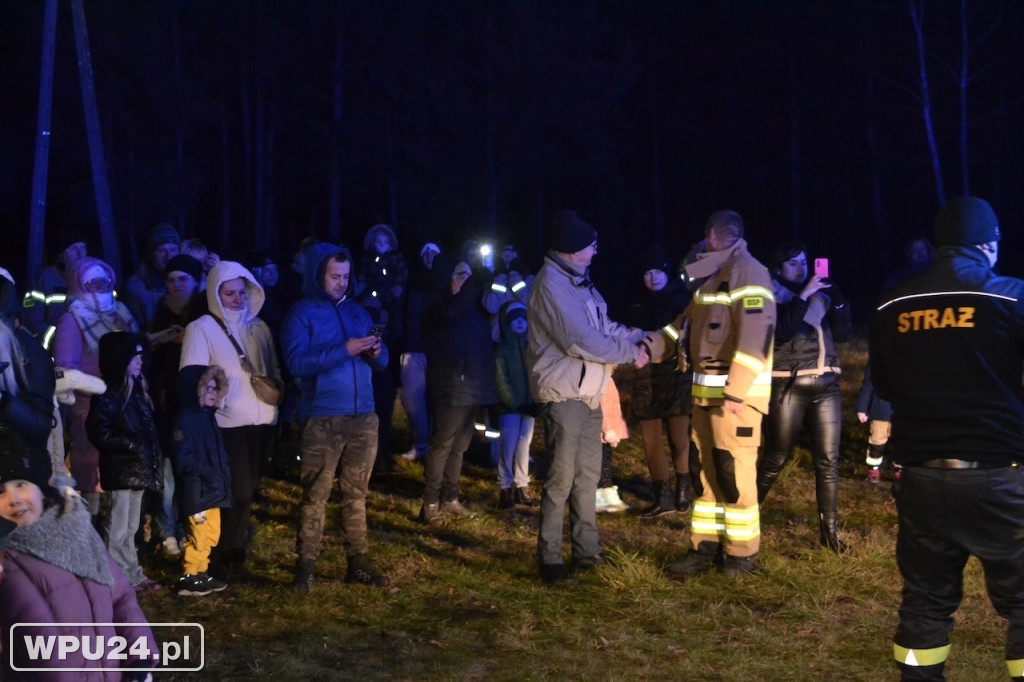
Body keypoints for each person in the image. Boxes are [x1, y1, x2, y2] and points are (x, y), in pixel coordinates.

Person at [869, 195, 1024, 681]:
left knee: (925, 602)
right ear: (988, 245)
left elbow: (886, 387)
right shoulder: (1011, 297)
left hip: (920, 478)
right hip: (998, 477)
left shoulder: (893, 303)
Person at [650, 210, 776, 578]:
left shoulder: (747, 272)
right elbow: (682, 327)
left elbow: (757, 337)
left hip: (735, 402)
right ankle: (703, 547)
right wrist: (647, 346)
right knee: (705, 474)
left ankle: (740, 555)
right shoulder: (712, 278)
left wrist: (736, 394)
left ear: (712, 236)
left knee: (733, 476)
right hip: (707, 399)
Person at [527, 209, 648, 584]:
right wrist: (629, 353)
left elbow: (602, 326)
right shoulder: (552, 285)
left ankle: (587, 553)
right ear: (572, 249)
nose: (596, 251)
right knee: (562, 479)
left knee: (587, 478)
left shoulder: (580, 282)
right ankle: (549, 559)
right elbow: (578, 339)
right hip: (564, 395)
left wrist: (631, 334)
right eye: (591, 245)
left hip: (590, 395)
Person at [0, 437, 156, 681]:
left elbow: (121, 596)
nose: (14, 499)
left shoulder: (78, 529)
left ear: (41, 487)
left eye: (21, 484)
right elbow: (39, 650)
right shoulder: (8, 564)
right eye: (0, 492)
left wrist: (139, 657)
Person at [281, 243, 390, 590]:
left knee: (356, 493)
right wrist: (344, 350)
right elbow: (296, 363)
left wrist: (375, 350)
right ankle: (306, 565)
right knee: (316, 494)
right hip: (323, 416)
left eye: (345, 276)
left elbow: (383, 362)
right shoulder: (301, 313)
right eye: (334, 276)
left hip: (364, 416)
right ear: (318, 275)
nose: (341, 283)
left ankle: (358, 562)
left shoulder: (358, 312)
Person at [179, 260, 280, 582]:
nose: (236, 299)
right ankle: (222, 557)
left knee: (247, 491)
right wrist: (212, 393)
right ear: (215, 294)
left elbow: (271, 370)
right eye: (229, 293)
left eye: (241, 292)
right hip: (226, 423)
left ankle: (233, 556)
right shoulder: (202, 328)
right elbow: (191, 376)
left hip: (261, 420)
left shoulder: (258, 327)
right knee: (237, 491)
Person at [755, 243, 852, 553]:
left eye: (803, 263)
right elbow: (781, 332)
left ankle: (829, 535)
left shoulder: (820, 294)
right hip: (787, 384)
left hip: (826, 383)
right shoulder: (768, 294)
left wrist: (837, 301)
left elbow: (845, 333)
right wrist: (802, 296)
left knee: (828, 462)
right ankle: (745, 518)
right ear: (778, 269)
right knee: (775, 458)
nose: (800, 268)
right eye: (793, 264)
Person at [53, 257, 140, 516]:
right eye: (93, 282)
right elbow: (67, 369)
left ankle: (117, 537)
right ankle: (89, 530)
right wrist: (101, 386)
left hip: (126, 401)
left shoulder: (120, 313)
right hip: (91, 406)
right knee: (93, 471)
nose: (100, 287)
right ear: (80, 284)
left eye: (104, 281)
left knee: (122, 472)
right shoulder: (72, 319)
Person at [417, 255, 498, 523]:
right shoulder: (438, 305)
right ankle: (430, 503)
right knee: (443, 443)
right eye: (461, 275)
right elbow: (451, 314)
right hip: (451, 384)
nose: (467, 281)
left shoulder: (474, 309)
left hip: (474, 384)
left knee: (460, 445)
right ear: (447, 278)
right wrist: (472, 285)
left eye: (468, 276)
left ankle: (450, 498)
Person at [86, 332, 163, 593]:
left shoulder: (138, 390)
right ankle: (114, 577)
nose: (140, 362)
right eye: (134, 357)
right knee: (118, 526)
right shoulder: (109, 394)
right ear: (120, 360)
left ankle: (131, 573)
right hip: (121, 469)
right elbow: (99, 431)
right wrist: (129, 444)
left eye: (142, 357)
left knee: (131, 526)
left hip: (137, 470)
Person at [626, 245, 694, 520]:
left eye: (658, 271)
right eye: (648, 272)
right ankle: (662, 497)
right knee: (651, 441)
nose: (653, 277)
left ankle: (683, 493)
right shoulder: (635, 303)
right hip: (645, 378)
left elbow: (678, 331)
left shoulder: (681, 300)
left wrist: (646, 339)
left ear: (668, 273)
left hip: (675, 374)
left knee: (680, 441)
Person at [148, 253, 208, 558]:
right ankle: (165, 530)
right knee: (167, 471)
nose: (176, 285)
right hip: (166, 401)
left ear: (195, 281)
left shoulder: (204, 313)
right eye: (171, 279)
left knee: (191, 470)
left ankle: (190, 529)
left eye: (182, 279)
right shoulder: (160, 312)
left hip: (196, 402)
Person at [172, 365, 231, 597]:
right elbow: (184, 457)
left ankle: (201, 572)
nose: (213, 393)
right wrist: (208, 471)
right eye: (208, 388)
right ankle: (189, 576)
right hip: (197, 490)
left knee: (209, 534)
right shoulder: (186, 420)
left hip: (212, 490)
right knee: (197, 535)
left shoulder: (208, 417)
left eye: (216, 388)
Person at [398, 242, 440, 461]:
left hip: (437, 351)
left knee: (436, 401)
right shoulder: (410, 280)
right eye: (425, 253)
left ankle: (435, 448)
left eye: (433, 253)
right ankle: (421, 443)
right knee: (413, 401)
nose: (429, 257)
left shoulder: (444, 282)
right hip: (413, 349)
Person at [493, 301, 538, 509]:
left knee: (523, 446)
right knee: (508, 447)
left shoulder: (531, 348)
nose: (520, 322)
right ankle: (505, 486)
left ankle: (522, 485)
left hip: (528, 409)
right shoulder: (502, 349)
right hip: (510, 409)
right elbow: (501, 380)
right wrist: (514, 403)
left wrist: (535, 402)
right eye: (515, 319)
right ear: (507, 323)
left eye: (523, 318)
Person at [20, 228, 87, 340]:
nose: (80, 253)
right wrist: (62, 340)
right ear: (61, 254)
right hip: (57, 352)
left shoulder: (96, 279)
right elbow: (31, 321)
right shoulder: (44, 279)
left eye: (83, 248)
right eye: (73, 248)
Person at [122, 222, 181, 332]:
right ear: (151, 254)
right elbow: (132, 332)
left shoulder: (187, 280)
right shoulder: (135, 288)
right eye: (162, 250)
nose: (169, 256)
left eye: (173, 249)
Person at [595, 373, 630, 514]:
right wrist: (608, 428)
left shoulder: (607, 379)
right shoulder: (600, 379)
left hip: (607, 432)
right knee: (599, 462)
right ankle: (598, 493)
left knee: (606, 461)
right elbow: (603, 407)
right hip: (601, 433)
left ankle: (607, 490)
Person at [854, 363, 893, 483]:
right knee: (876, 443)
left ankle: (901, 472)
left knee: (902, 444)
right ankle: (873, 471)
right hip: (880, 411)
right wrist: (861, 408)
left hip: (903, 413)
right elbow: (867, 386)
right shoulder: (876, 362)